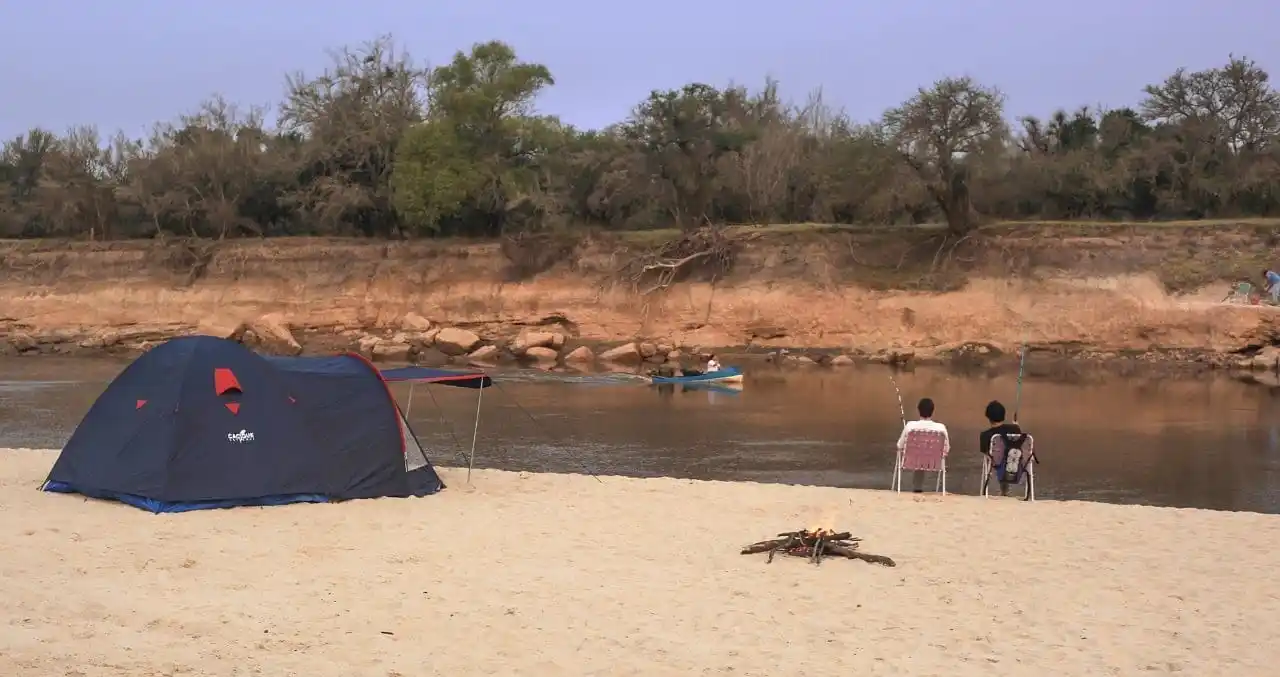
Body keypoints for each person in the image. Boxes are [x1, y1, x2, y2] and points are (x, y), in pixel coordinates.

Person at [895, 397, 951, 493]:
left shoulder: (910, 426)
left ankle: (915, 488)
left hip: (911, 461)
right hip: (934, 463)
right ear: (932, 411)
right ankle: (921, 488)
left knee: (918, 456)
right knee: (923, 456)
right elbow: (947, 448)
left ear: (918, 410)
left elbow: (899, 446)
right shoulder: (941, 428)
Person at [979, 400, 1023, 496]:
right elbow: (1019, 441)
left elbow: (985, 452)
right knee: (1007, 458)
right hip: (1014, 461)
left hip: (997, 462)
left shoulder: (985, 435)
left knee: (999, 459)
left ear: (988, 417)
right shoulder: (1015, 429)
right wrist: (1016, 426)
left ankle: (1001, 491)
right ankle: (1004, 491)